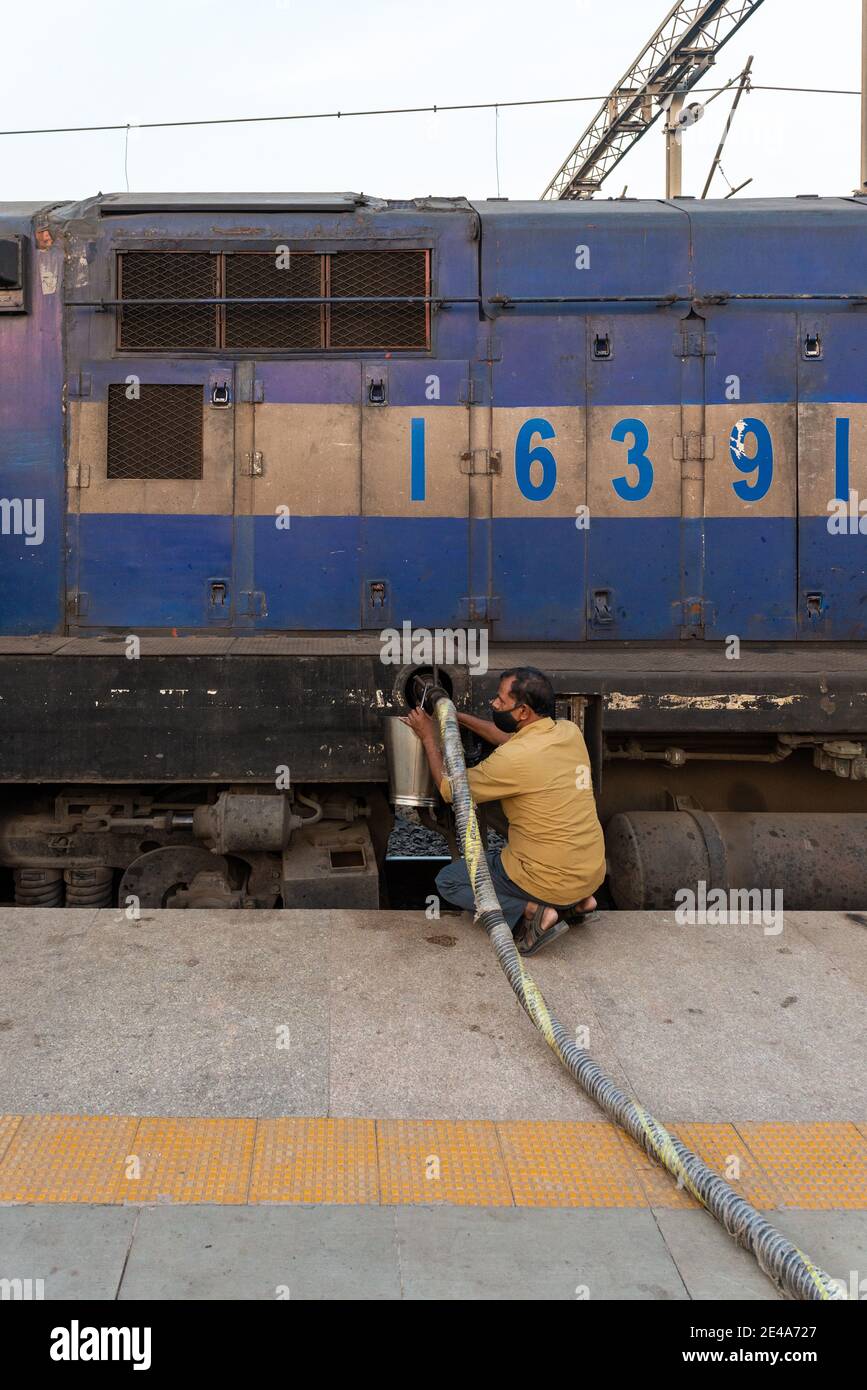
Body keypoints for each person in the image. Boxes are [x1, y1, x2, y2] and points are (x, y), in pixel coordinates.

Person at [402, 667, 605, 955]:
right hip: (590, 873)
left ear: (522, 712)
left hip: (549, 880)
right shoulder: (568, 732)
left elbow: (450, 790)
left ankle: (535, 911)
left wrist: (428, 737)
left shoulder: (512, 760)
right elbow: (507, 738)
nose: (493, 705)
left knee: (449, 880)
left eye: (500, 700)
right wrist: (450, 716)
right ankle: (581, 903)